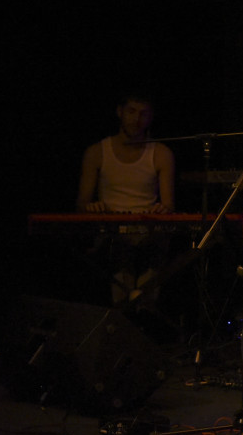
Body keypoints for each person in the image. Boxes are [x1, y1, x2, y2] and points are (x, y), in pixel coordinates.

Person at [75, 94, 175, 303]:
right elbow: (82, 204)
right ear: (119, 112)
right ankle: (123, 315)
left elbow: (168, 205)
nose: (136, 119)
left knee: (155, 250)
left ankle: (143, 317)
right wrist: (92, 207)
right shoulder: (97, 152)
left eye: (143, 114)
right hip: (110, 233)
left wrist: (162, 210)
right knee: (118, 252)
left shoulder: (161, 153)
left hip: (148, 232)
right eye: (131, 111)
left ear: (151, 117)